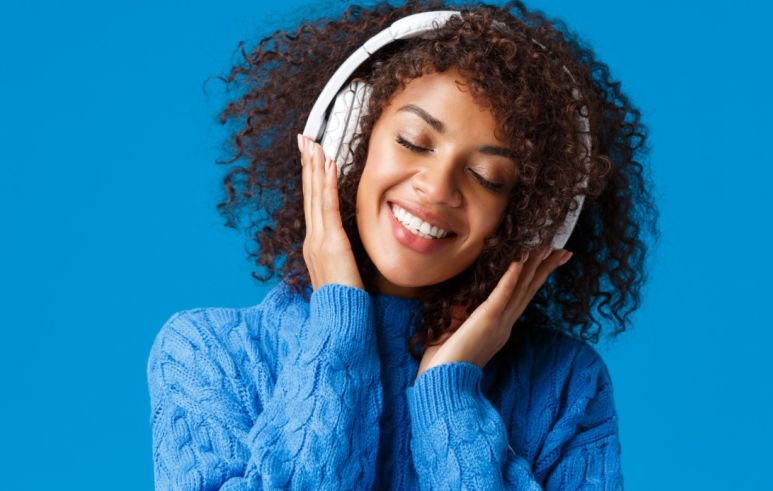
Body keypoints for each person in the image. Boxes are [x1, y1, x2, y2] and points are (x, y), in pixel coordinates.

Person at [147, 0, 658, 489]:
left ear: (530, 221)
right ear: (349, 143)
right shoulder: (208, 353)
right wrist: (338, 334)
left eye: (486, 175)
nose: (437, 189)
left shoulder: (567, 385)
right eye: (414, 142)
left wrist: (449, 396)